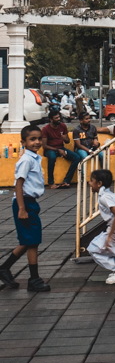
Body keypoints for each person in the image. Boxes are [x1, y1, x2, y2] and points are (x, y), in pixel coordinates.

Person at [0, 125, 51, 292]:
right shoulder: (27, 160)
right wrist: (22, 208)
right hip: (25, 203)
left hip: (30, 203)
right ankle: (34, 279)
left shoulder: (34, 158)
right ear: (23, 142)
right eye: (32, 139)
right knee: (33, 242)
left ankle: (5, 268)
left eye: (39, 138)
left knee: (28, 240)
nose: (37, 142)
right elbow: (19, 185)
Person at [41, 108, 81, 189]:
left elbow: (67, 141)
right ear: (51, 119)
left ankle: (67, 181)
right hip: (50, 150)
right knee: (52, 157)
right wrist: (57, 150)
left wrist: (65, 138)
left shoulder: (62, 126)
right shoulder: (45, 129)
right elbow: (44, 145)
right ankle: (51, 183)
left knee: (77, 157)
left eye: (59, 117)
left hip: (61, 148)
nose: (59, 119)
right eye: (56, 118)